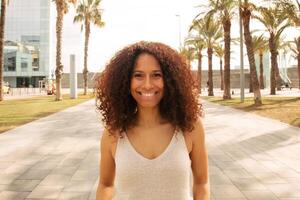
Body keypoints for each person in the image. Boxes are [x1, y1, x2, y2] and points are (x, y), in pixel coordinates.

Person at [95, 41, 210, 200]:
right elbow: (105, 185)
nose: (147, 85)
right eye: (138, 75)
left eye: (156, 75)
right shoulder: (113, 133)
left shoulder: (190, 127)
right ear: (126, 81)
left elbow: (201, 183)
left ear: (170, 80)